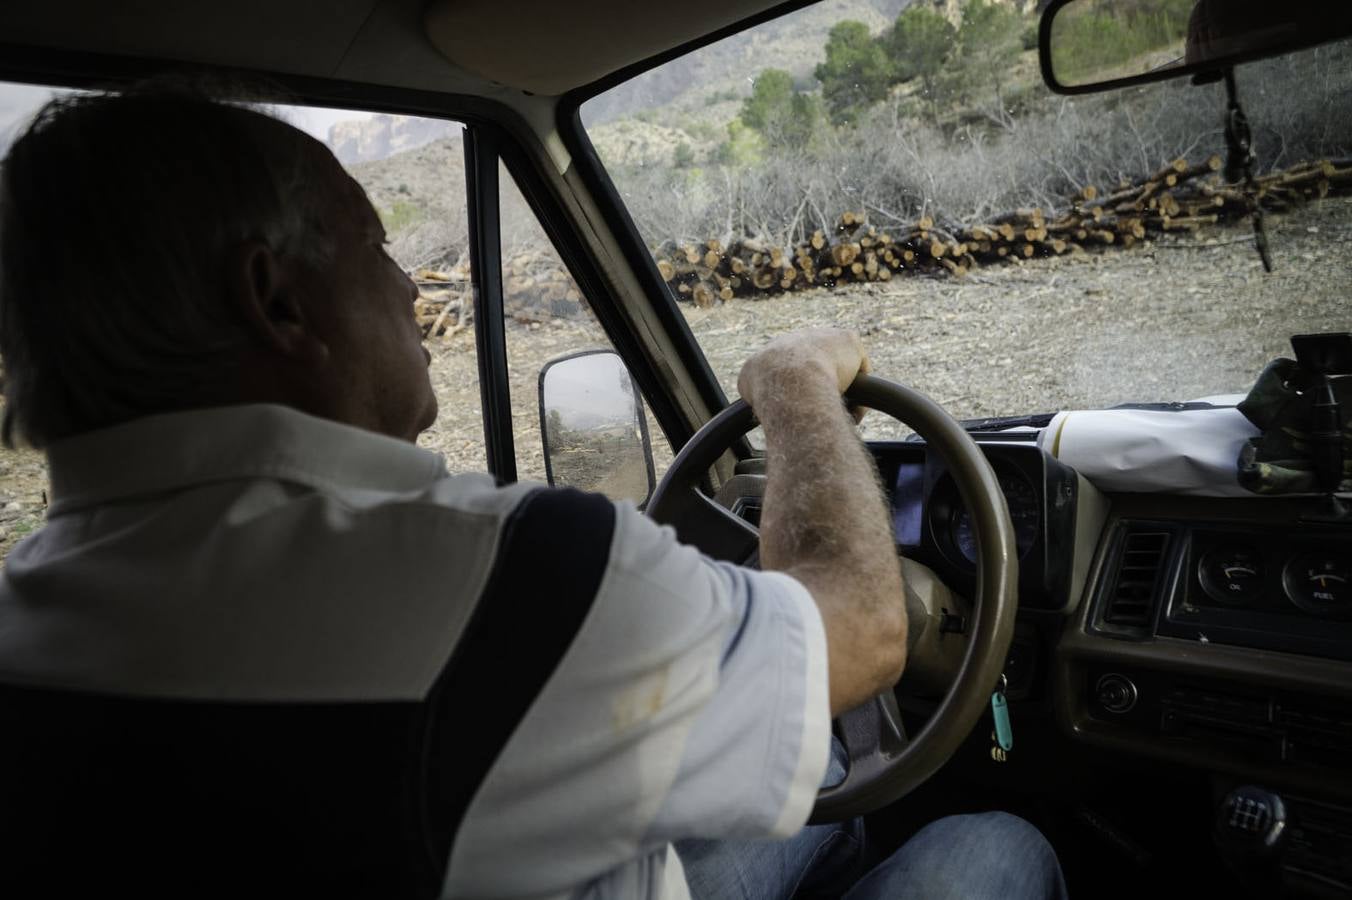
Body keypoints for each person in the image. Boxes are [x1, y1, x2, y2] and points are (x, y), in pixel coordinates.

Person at [0, 87, 1066, 899]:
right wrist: (790, 386)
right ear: (276, 300)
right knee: (998, 845)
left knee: (817, 778)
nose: (411, 287)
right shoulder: (510, 582)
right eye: (376, 247)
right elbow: (872, 630)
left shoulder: (26, 624)